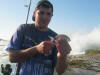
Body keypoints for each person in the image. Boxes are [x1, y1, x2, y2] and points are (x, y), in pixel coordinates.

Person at [6, 0, 71, 75]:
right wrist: (36, 49)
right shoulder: (23, 29)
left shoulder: (56, 37)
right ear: (34, 13)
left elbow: (60, 71)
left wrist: (62, 56)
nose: (44, 17)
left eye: (48, 14)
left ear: (51, 16)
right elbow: (11, 57)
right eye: (41, 13)